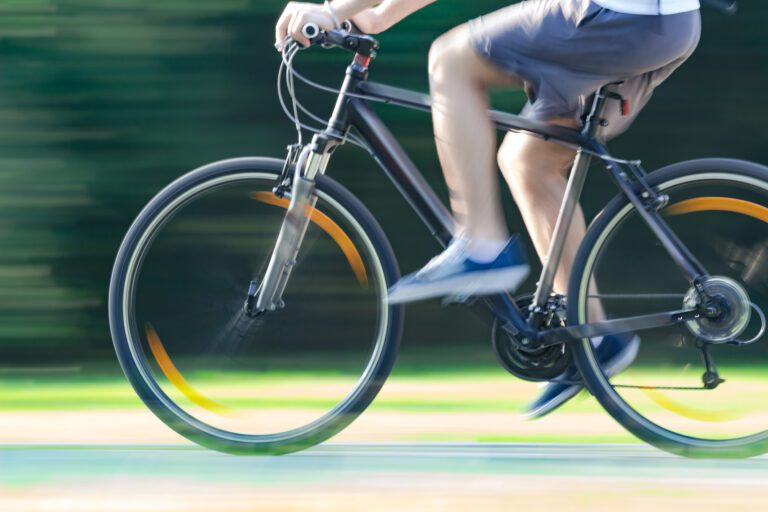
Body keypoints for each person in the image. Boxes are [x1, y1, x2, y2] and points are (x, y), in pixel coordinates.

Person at [275, 0, 701, 418]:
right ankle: (592, 334)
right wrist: (375, 15)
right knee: (528, 162)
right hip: (664, 25)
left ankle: (480, 245)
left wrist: (333, 12)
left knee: (452, 58)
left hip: (619, 16)